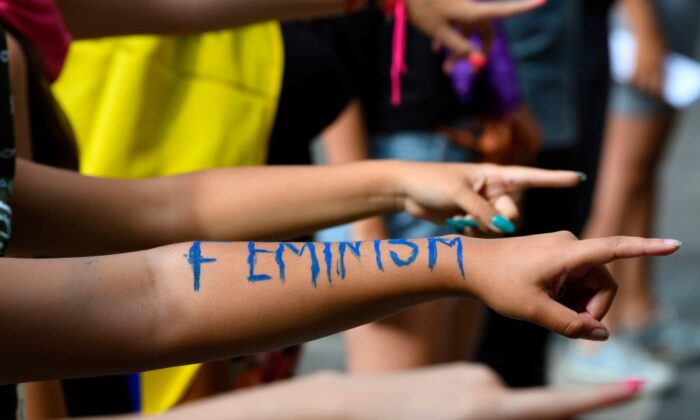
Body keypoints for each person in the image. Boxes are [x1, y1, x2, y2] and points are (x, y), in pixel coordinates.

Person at [559, 0, 700, 393]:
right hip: (643, 22)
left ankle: (640, 315)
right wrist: (644, 27)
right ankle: (589, 339)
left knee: (640, 173)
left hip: (669, 20)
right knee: (616, 187)